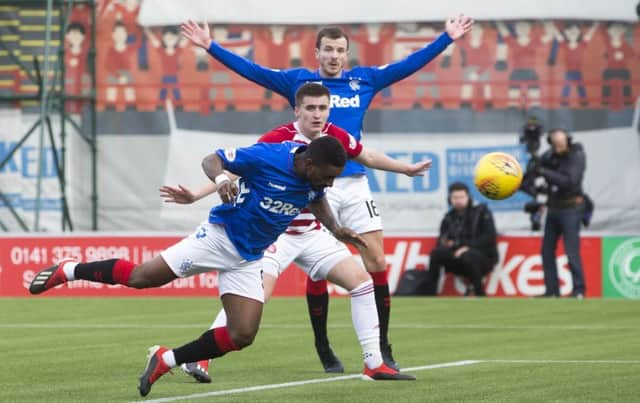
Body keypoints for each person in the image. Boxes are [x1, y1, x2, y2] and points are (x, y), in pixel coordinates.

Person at [181, 14, 473, 370]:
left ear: (347, 54)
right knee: (288, 275)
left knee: (375, 261)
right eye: (328, 50)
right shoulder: (300, 86)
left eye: (340, 50)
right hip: (314, 184)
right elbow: (254, 72)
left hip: (354, 183)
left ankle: (380, 348)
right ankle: (321, 345)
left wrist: (446, 38)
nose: (334, 56)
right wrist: (211, 46)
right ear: (316, 53)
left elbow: (405, 68)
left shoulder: (362, 80)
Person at [28, 136, 382, 397]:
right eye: (328, 175)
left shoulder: (313, 180)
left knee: (242, 335)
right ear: (308, 164)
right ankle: (70, 270)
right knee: (141, 277)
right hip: (218, 237)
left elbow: (317, 199)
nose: (330, 183)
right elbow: (212, 159)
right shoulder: (266, 157)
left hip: (250, 256)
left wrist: (336, 229)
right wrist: (222, 179)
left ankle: (167, 360)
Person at [161, 83, 428, 380]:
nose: (317, 114)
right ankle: (199, 359)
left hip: (313, 233)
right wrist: (198, 194)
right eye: (311, 108)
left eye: (323, 108)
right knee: (255, 297)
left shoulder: (335, 137)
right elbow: (238, 167)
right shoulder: (278, 139)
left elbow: (367, 156)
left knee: (362, 283)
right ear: (297, 110)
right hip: (277, 235)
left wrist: (405, 169)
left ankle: (373, 363)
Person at [535, 129, 587, 298]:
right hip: (554, 207)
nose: (558, 147)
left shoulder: (576, 156)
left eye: (561, 143)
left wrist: (544, 172)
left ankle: (578, 290)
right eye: (555, 143)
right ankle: (552, 291)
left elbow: (569, 182)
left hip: (571, 208)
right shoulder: (548, 156)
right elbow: (535, 174)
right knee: (546, 250)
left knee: (571, 251)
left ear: (567, 141)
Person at [423, 182, 498, 296]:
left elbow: (489, 238)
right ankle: (430, 294)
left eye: (462, 197)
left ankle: (479, 293)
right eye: (455, 197)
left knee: (468, 255)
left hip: (482, 258)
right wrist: (447, 244)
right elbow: (441, 241)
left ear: (468, 197)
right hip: (457, 257)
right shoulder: (448, 218)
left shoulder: (481, 212)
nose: (458, 200)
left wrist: (466, 247)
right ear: (450, 199)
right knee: (436, 253)